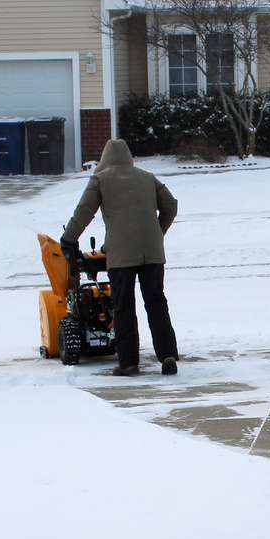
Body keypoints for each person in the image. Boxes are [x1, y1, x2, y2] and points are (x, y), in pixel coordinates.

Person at [60, 139, 180, 376]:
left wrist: (68, 239)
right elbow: (171, 205)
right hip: (153, 252)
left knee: (123, 307)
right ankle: (167, 356)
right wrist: (158, 231)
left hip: (121, 254)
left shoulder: (100, 180)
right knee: (156, 302)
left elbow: (84, 211)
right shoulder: (147, 177)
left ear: (105, 159)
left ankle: (128, 363)